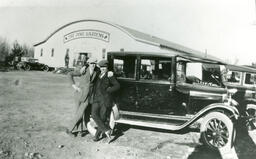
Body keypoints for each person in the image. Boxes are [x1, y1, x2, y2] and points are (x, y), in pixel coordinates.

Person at [66, 57, 100, 137]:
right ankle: (76, 130)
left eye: (94, 63)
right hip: (79, 95)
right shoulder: (83, 70)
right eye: (91, 63)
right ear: (88, 63)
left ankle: (71, 129)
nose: (93, 65)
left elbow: (103, 70)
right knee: (78, 113)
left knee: (80, 113)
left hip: (88, 96)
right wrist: (74, 86)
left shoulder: (96, 71)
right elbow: (69, 74)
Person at [91, 60, 120, 143]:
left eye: (104, 67)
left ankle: (96, 136)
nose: (103, 69)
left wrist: (109, 90)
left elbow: (117, 86)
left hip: (105, 100)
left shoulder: (110, 75)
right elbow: (91, 66)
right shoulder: (98, 74)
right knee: (94, 114)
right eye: (101, 67)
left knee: (102, 118)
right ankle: (107, 129)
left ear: (107, 68)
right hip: (97, 99)